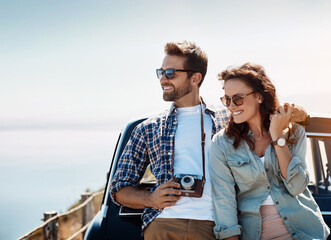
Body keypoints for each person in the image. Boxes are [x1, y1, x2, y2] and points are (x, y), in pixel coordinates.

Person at [109, 41, 310, 240]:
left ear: (195, 78)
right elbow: (118, 189)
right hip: (163, 223)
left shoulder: (229, 116)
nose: (163, 79)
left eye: (170, 73)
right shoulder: (148, 128)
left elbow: (272, 113)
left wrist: (296, 112)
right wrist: (150, 199)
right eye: (161, 73)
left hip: (214, 226)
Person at [209, 62, 330, 240]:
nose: (231, 106)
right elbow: (224, 202)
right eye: (227, 99)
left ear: (259, 96)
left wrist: (277, 136)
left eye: (238, 99)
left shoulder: (294, 132)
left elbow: (296, 186)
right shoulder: (222, 143)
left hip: (304, 233)